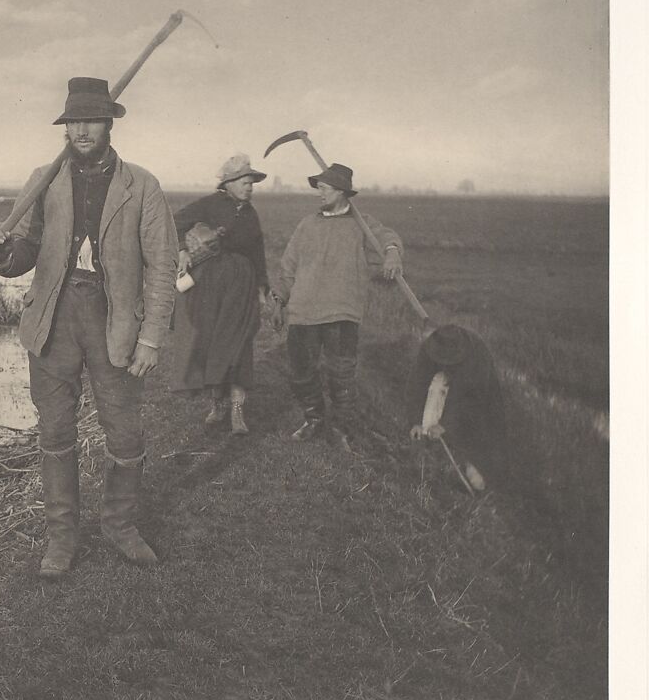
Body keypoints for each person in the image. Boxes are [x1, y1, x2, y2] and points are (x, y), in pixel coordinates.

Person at [0, 76, 178, 580]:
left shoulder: (142, 185)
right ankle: (62, 539)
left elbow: (162, 265)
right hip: (54, 319)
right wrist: (2, 252)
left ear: (109, 123)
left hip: (114, 322)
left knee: (125, 433)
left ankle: (120, 526)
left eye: (91, 120)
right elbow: (24, 251)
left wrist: (151, 336)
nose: (82, 130)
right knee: (55, 430)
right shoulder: (44, 180)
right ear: (64, 127)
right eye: (73, 122)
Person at [272, 162, 403, 449]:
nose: (319, 192)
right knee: (301, 372)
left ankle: (341, 428)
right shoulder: (307, 224)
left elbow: (387, 238)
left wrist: (392, 253)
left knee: (341, 375)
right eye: (318, 187)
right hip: (304, 313)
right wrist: (279, 299)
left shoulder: (362, 224)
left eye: (325, 187)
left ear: (342, 192)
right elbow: (288, 267)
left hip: (342, 313)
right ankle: (314, 419)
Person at [171, 154, 271, 434]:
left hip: (241, 283)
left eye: (252, 184)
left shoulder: (251, 214)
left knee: (239, 342)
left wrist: (262, 288)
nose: (250, 188)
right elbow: (176, 221)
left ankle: (238, 410)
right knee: (213, 341)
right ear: (228, 183)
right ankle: (218, 403)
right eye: (244, 182)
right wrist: (181, 250)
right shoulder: (209, 204)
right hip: (210, 284)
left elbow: (257, 252)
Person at [406, 324, 506, 491]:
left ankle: (476, 468)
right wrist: (415, 421)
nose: (445, 363)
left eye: (448, 360)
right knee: (437, 386)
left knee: (477, 427)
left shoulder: (476, 358)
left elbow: (465, 398)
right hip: (454, 387)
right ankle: (429, 441)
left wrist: (444, 424)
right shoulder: (429, 347)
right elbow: (416, 384)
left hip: (478, 392)